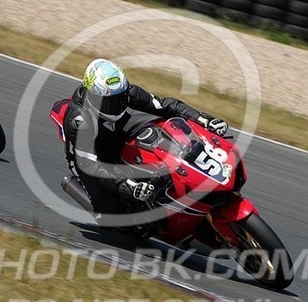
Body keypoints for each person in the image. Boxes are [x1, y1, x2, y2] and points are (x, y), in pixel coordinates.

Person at [62, 58, 228, 228]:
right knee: (115, 219)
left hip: (117, 130)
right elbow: (91, 165)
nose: (117, 105)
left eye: (120, 98)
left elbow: (163, 105)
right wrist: (128, 187)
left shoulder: (127, 93)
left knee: (162, 132)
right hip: (88, 159)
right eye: (109, 102)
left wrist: (202, 119)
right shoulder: (80, 121)